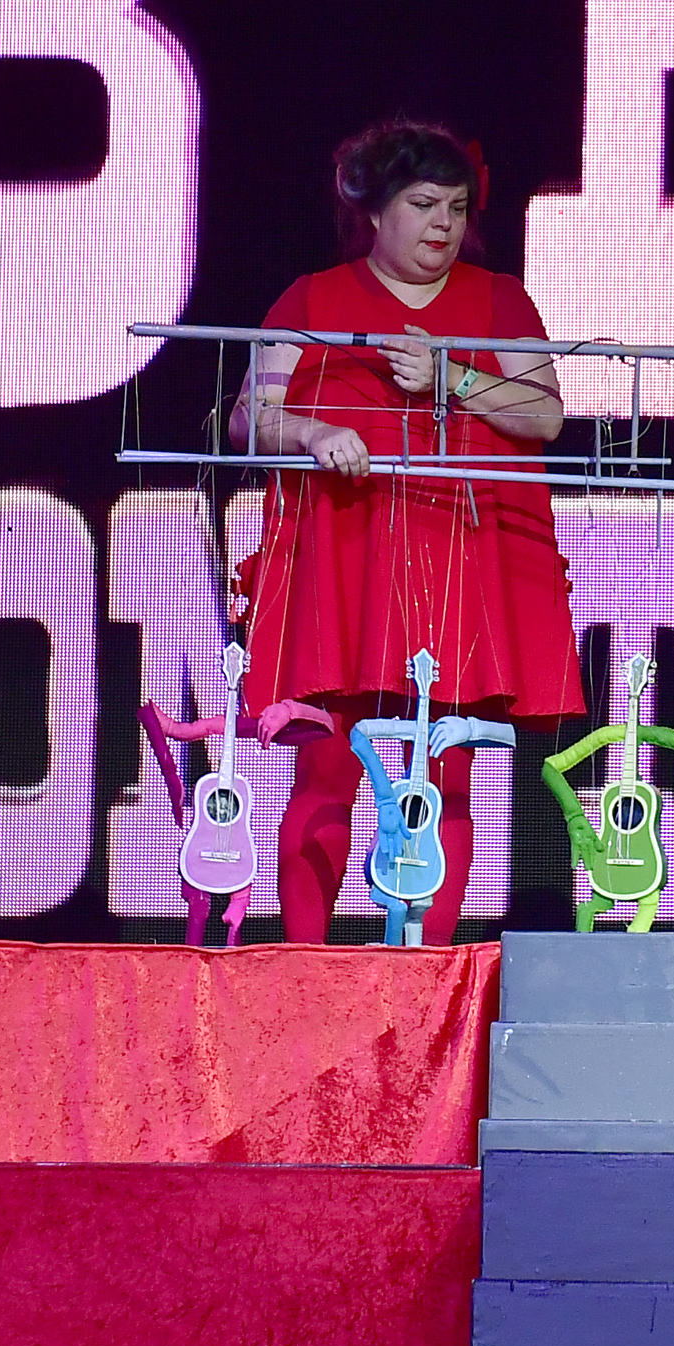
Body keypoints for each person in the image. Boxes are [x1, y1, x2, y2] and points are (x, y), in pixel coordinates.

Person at [230, 120, 582, 941]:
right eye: (423, 205)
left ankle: (428, 963)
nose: (442, 225)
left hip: (460, 558)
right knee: (326, 765)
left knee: (444, 771)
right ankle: (307, 959)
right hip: (346, 558)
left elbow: (545, 414)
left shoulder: (500, 300)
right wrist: (314, 436)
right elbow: (251, 415)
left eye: (456, 208)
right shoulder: (313, 297)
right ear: (374, 211)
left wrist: (453, 378)